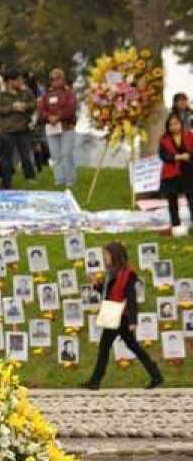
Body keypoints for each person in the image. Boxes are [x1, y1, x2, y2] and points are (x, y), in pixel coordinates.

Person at [82, 242, 163, 390]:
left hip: (121, 316)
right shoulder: (112, 272)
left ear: (115, 255)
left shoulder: (127, 274)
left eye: (107, 255)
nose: (105, 258)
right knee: (131, 347)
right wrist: (95, 285)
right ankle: (156, 376)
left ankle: (95, 381)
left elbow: (131, 297)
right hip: (114, 313)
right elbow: (109, 293)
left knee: (105, 347)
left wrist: (133, 320)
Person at [0, 70, 36, 181]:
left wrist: (25, 106)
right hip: (7, 130)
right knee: (7, 156)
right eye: (18, 79)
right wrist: (12, 107)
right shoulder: (0, 93)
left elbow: (34, 104)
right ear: (10, 81)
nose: (21, 81)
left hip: (23, 128)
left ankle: (30, 177)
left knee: (25, 155)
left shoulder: (26, 91)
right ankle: (6, 178)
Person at [38, 68, 78, 188]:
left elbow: (71, 109)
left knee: (66, 154)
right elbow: (41, 110)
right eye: (52, 79)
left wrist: (58, 117)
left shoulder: (69, 93)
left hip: (67, 127)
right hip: (51, 128)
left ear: (63, 79)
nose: (55, 81)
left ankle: (70, 180)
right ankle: (59, 180)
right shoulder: (46, 94)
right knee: (55, 155)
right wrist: (48, 117)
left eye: (58, 78)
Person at [158, 113, 193, 236]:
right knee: (172, 201)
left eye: (176, 123)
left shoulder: (189, 136)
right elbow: (163, 156)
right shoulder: (164, 140)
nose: (174, 127)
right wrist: (178, 156)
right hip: (171, 173)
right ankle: (176, 225)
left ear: (181, 124)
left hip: (188, 172)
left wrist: (188, 156)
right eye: (171, 124)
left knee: (191, 199)